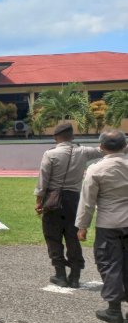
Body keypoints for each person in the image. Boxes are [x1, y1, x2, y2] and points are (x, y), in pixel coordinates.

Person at [34, 123, 102, 288]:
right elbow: (106, 149)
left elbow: (43, 179)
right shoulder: (83, 151)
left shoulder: (50, 154)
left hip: (53, 198)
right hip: (74, 199)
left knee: (53, 236)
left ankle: (60, 275)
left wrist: (39, 201)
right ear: (72, 136)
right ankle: (75, 276)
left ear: (56, 137)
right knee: (72, 236)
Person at [75, 129, 128, 323]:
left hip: (109, 223)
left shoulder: (95, 170)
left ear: (101, 147)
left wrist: (82, 226)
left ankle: (114, 310)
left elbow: (87, 201)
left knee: (109, 264)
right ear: (125, 146)